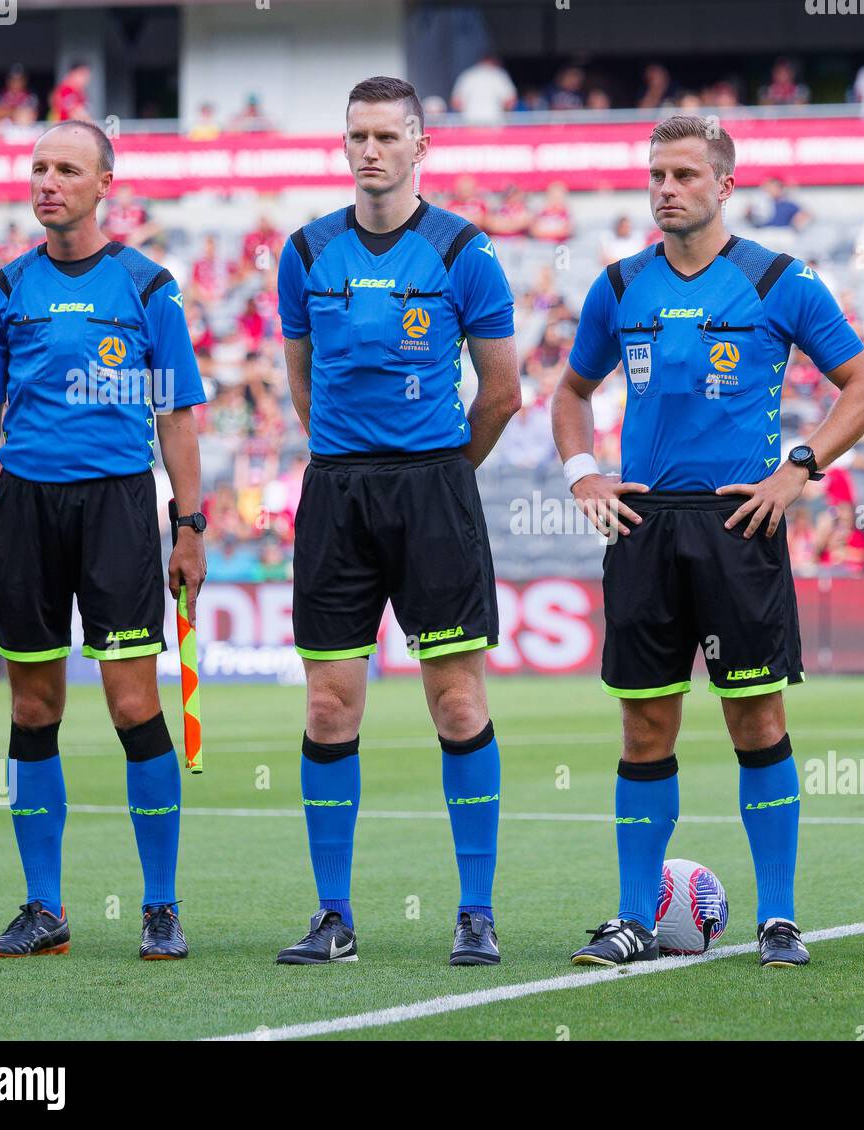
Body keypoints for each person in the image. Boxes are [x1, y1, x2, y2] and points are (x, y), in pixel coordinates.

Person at [552, 115, 864, 969]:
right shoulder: (618, 285)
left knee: (756, 717)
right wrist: (583, 473)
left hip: (742, 524)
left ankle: (779, 919)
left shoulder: (780, 279)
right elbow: (570, 392)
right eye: (657, 175)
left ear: (725, 185)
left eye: (685, 175)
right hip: (645, 523)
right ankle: (631, 918)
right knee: (645, 726)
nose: (667, 188)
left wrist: (798, 468)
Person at [0, 120, 207, 961]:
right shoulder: (5, 289)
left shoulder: (148, 286)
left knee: (134, 706)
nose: (48, 181)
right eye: (38, 168)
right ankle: (44, 908)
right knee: (32, 707)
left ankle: (160, 908)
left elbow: (177, 417)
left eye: (67, 169)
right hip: (24, 510)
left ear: (104, 185)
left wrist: (189, 526)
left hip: (118, 511)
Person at [275, 76, 520, 967]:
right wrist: (352, 456)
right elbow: (305, 384)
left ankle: (475, 913)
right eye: (357, 136)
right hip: (337, 492)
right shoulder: (304, 251)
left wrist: (444, 478)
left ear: (422, 145)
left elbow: (502, 394)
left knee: (457, 704)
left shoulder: (465, 250)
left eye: (387, 135)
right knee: (329, 704)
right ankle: (333, 916)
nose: (370, 150)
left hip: (433, 493)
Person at [450, 54, 517, 125]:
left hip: (470, 121)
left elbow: (456, 103)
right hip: (494, 121)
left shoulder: (467, 75)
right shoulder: (499, 74)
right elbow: (510, 101)